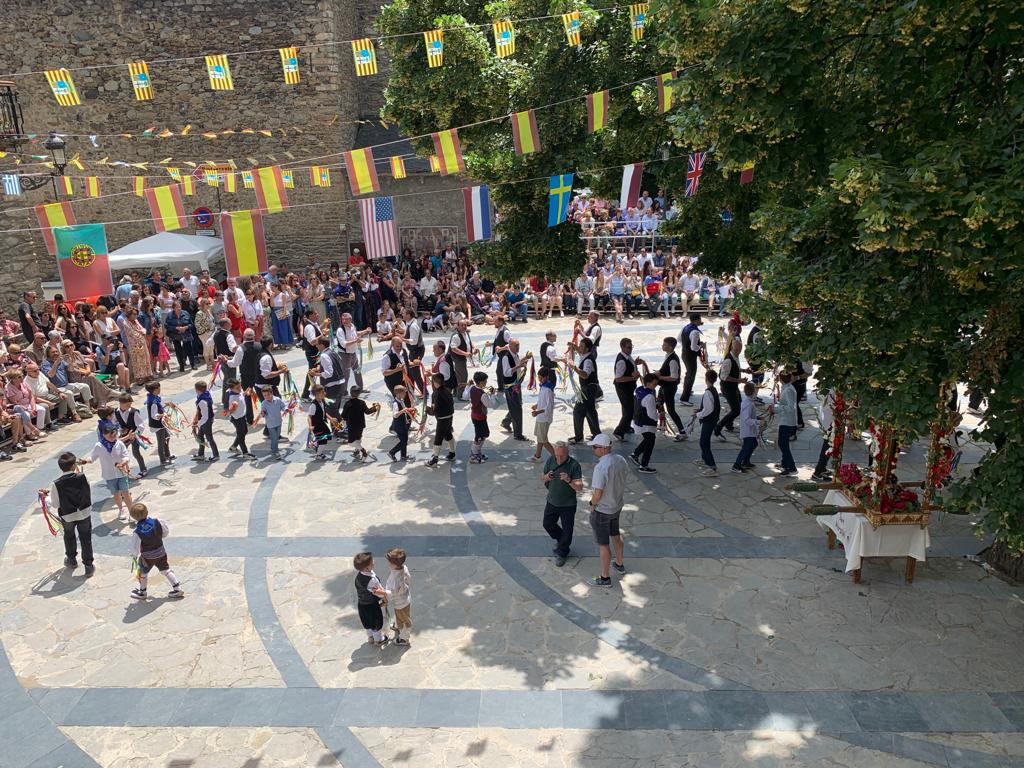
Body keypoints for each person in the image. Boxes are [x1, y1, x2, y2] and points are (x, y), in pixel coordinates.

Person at [41, 452, 95, 575]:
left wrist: (47, 496)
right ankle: (88, 565)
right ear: (72, 466)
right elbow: (87, 490)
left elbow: (55, 504)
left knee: (69, 536)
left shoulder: (56, 483)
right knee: (85, 538)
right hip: (84, 512)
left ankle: (71, 560)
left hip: (67, 515)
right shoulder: (82, 477)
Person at [587, 433, 628, 587]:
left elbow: (598, 493)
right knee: (616, 534)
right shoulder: (621, 460)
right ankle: (619, 563)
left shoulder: (601, 467)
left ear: (604, 449)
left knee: (603, 544)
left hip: (602, 510)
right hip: (616, 506)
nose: (593, 450)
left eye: (595, 447)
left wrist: (592, 504)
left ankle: (605, 578)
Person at [128, 502, 184, 600]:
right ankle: (177, 588)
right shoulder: (157, 522)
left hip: (147, 557)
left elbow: (135, 548)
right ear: (147, 512)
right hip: (161, 552)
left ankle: (142, 592)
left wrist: (134, 555)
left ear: (133, 517)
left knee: (143, 573)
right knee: (166, 570)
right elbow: (165, 533)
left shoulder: (137, 532)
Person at [541, 441, 584, 567]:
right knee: (547, 524)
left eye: (562, 456)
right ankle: (562, 541)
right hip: (552, 500)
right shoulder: (550, 460)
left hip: (568, 504)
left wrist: (569, 480)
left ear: (568, 453)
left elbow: (579, 487)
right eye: (557, 456)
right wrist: (547, 477)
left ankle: (562, 552)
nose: (559, 459)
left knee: (568, 529)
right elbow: (542, 478)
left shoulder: (574, 465)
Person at [81, 422, 133, 519]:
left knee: (125, 492)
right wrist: (85, 461)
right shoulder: (99, 446)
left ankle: (132, 511)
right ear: (104, 434)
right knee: (116, 493)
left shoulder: (119, 443)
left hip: (121, 473)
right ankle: (121, 509)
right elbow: (92, 457)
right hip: (109, 474)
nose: (113, 439)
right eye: (110, 437)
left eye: (114, 436)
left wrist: (123, 462)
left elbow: (126, 455)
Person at [568, 338, 601, 444]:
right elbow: (580, 351)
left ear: (587, 349)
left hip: (588, 389)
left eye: (582, 346)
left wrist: (574, 367)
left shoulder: (588, 360)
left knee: (578, 411)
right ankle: (597, 434)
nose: (579, 348)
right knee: (590, 411)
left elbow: (585, 375)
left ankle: (578, 437)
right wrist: (574, 346)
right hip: (589, 389)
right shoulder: (585, 355)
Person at [497, 339, 532, 441]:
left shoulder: (515, 354)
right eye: (516, 346)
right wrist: (519, 366)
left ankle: (506, 421)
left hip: (516, 385)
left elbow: (518, 363)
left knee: (516, 405)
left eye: (518, 345)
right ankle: (518, 434)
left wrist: (526, 358)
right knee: (517, 409)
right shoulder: (506, 357)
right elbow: (506, 373)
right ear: (510, 346)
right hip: (510, 387)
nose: (518, 348)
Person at [353, 551, 388, 647]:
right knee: (376, 622)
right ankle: (379, 640)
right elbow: (378, 592)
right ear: (367, 568)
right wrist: (385, 596)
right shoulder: (372, 580)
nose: (374, 561)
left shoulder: (359, 576)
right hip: (371, 605)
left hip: (362, 604)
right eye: (372, 562)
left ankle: (371, 637)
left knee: (367, 622)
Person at [656, 337, 688, 441]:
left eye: (664, 345)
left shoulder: (673, 360)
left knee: (671, 410)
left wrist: (660, 377)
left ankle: (682, 431)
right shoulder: (668, 356)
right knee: (659, 404)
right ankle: (662, 424)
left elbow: (674, 377)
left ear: (670, 347)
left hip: (669, 388)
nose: (662, 346)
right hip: (664, 386)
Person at [379, 548, 412, 646]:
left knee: (405, 621)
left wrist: (382, 593)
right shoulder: (404, 568)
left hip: (400, 603)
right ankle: (398, 625)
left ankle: (404, 638)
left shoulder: (396, 578)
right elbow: (408, 580)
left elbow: (392, 593)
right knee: (400, 617)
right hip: (405, 599)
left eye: (389, 563)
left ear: (394, 564)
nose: (388, 564)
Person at [611, 338, 643, 441]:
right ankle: (619, 431)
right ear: (623, 347)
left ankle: (627, 427)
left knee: (626, 407)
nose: (630, 349)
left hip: (629, 387)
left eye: (631, 347)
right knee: (630, 410)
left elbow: (629, 366)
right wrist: (633, 378)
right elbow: (619, 379)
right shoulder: (621, 361)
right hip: (623, 388)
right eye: (629, 347)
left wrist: (635, 364)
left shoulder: (627, 357)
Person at [631, 372, 660, 473]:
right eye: (654, 384)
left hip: (637, 420)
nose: (655, 386)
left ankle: (635, 454)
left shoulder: (639, 390)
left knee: (648, 439)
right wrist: (659, 416)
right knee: (650, 441)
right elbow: (652, 414)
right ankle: (644, 465)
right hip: (646, 423)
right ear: (647, 383)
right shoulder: (650, 396)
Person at [340, 386, 379, 463]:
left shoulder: (348, 403)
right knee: (358, 438)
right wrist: (375, 408)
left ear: (350, 393)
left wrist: (342, 421)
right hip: (360, 425)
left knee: (351, 442)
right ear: (359, 394)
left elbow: (343, 415)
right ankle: (357, 450)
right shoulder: (362, 402)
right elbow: (367, 412)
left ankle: (363, 452)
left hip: (352, 426)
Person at [715, 338, 745, 439]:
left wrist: (745, 370)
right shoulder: (728, 360)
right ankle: (718, 427)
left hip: (734, 387)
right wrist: (739, 381)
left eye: (740, 350)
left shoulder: (735, 357)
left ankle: (729, 425)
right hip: (728, 388)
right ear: (732, 347)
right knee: (736, 410)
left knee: (738, 405)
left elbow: (735, 367)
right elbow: (723, 376)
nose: (738, 352)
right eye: (736, 350)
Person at [425, 373, 456, 468]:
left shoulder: (436, 394)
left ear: (435, 382)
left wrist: (427, 410)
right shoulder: (448, 390)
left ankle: (434, 460)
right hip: (450, 416)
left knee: (438, 439)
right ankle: (452, 453)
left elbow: (435, 410)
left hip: (442, 419)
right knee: (448, 435)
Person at [732, 382, 762, 474]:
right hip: (748, 431)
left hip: (750, 430)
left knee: (753, 444)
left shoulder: (748, 401)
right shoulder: (748, 404)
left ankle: (746, 462)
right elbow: (747, 420)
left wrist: (757, 418)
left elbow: (750, 416)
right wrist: (758, 422)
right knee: (746, 448)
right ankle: (736, 466)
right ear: (753, 392)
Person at [114, 393, 147, 477]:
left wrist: (135, 434)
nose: (129, 406)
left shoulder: (134, 412)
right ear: (121, 403)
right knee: (120, 453)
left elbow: (141, 426)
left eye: (130, 404)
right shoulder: (116, 412)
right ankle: (123, 471)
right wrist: (120, 431)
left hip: (134, 435)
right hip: (124, 436)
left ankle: (143, 469)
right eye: (127, 404)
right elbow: (115, 424)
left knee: (136, 453)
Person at [695, 370, 721, 477]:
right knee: (705, 440)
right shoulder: (713, 390)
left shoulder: (707, 393)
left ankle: (712, 466)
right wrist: (700, 411)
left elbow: (708, 409)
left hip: (709, 420)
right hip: (713, 420)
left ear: (706, 379)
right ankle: (704, 458)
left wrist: (699, 414)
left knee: (703, 442)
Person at [335, 312, 368, 393]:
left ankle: (360, 388)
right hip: (344, 355)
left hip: (353, 353)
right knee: (346, 374)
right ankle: (343, 392)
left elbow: (355, 334)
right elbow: (344, 344)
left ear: (350, 319)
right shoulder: (340, 330)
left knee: (357, 371)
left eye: (346, 319)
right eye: (343, 319)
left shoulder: (352, 326)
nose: (344, 321)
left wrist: (366, 331)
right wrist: (356, 341)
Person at [774, 372, 799, 477]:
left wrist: (777, 408)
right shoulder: (786, 387)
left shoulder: (789, 390)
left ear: (781, 379)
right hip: (784, 419)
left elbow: (790, 408)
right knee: (783, 443)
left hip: (787, 421)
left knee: (782, 444)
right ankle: (784, 464)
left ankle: (791, 468)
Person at [468, 371, 495, 464]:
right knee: (479, 437)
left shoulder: (472, 389)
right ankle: (473, 455)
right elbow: (490, 404)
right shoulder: (482, 394)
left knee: (484, 434)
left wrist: (468, 386)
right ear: (481, 382)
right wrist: (492, 395)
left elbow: (465, 395)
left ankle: (477, 452)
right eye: (485, 381)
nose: (486, 383)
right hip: (480, 417)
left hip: (475, 415)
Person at [225, 378, 255, 459]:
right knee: (241, 436)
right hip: (237, 419)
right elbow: (229, 411)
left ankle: (233, 447)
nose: (239, 388)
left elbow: (241, 394)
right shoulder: (232, 398)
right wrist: (232, 408)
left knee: (245, 431)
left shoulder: (238, 391)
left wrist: (246, 393)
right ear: (231, 389)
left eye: (240, 386)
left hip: (242, 417)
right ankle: (245, 453)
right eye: (237, 388)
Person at [145, 381, 172, 466]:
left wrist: (165, 406)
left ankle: (167, 455)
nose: (160, 389)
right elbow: (154, 415)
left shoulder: (155, 398)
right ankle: (163, 459)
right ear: (155, 390)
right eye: (158, 388)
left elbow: (159, 408)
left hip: (161, 423)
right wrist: (164, 415)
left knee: (167, 437)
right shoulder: (153, 401)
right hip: (157, 425)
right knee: (161, 442)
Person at [678, 313, 704, 403]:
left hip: (684, 353)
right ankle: (684, 398)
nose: (701, 321)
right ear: (696, 320)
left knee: (688, 374)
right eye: (700, 319)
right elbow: (693, 347)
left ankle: (687, 390)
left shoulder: (686, 327)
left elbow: (679, 339)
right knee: (691, 376)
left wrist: (686, 345)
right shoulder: (695, 332)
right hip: (690, 356)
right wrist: (700, 347)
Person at [812, 389, 837, 482]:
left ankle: (822, 468)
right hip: (830, 421)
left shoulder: (828, 388)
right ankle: (818, 471)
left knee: (828, 445)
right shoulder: (831, 390)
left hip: (827, 420)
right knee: (827, 446)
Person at [191, 381, 219, 462]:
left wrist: (197, 424)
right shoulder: (206, 394)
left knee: (209, 438)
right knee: (200, 436)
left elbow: (205, 416)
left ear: (197, 390)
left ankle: (216, 455)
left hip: (206, 421)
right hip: (208, 418)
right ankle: (201, 454)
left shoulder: (202, 401)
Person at [531, 368, 556, 460]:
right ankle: (537, 456)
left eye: (542, 378)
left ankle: (557, 457)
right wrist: (536, 405)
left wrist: (537, 412)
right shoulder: (543, 387)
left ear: (547, 377)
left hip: (544, 418)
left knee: (544, 440)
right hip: (540, 417)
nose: (540, 379)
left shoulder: (548, 389)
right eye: (539, 377)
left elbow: (548, 407)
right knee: (540, 438)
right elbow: (543, 402)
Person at [299, 309, 324, 400]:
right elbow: (312, 342)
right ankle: (305, 395)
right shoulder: (309, 327)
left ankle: (312, 393)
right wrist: (322, 336)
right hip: (313, 353)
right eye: (315, 313)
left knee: (314, 372)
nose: (317, 315)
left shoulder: (314, 324)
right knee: (312, 373)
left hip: (317, 352)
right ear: (310, 316)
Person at [387, 384, 416, 462]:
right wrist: (403, 410)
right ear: (398, 394)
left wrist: (409, 409)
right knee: (403, 441)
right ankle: (392, 452)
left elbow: (404, 410)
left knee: (405, 440)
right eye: (404, 393)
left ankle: (403, 456)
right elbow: (395, 415)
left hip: (404, 424)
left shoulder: (401, 400)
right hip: (399, 426)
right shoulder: (396, 403)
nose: (405, 394)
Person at [260, 385, 287, 460]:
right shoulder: (264, 403)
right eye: (264, 395)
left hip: (278, 422)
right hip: (270, 424)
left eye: (268, 395)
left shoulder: (278, 400)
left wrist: (285, 409)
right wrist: (263, 413)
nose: (266, 397)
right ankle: (275, 451)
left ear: (272, 393)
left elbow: (283, 406)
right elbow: (263, 412)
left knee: (277, 437)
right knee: (274, 438)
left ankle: (273, 447)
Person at [448, 319, 474, 398]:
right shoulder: (456, 336)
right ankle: (461, 395)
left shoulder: (466, 333)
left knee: (459, 376)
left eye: (465, 325)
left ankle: (457, 393)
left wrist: (474, 347)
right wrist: (465, 353)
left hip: (462, 358)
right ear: (458, 326)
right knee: (462, 377)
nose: (464, 327)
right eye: (462, 325)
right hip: (458, 359)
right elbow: (453, 348)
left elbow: (468, 342)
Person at [307, 384, 333, 461]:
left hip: (323, 424)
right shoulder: (313, 405)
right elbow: (309, 416)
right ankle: (319, 454)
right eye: (322, 392)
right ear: (317, 394)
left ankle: (315, 445)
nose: (324, 393)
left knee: (327, 436)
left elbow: (324, 412)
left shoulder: (322, 401)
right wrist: (310, 426)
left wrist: (330, 419)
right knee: (323, 441)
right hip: (317, 426)